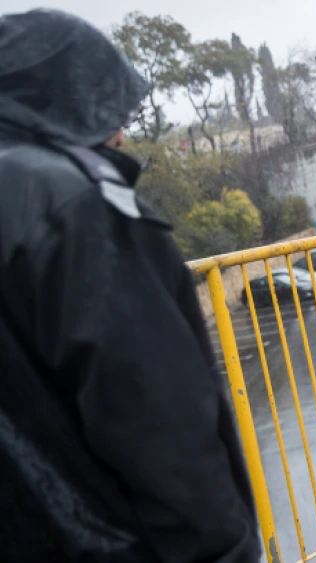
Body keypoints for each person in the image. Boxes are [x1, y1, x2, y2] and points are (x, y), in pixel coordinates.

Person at [0, 9, 261, 561]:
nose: (122, 131)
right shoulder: (79, 208)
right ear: (71, 101)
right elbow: (160, 420)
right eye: (111, 108)